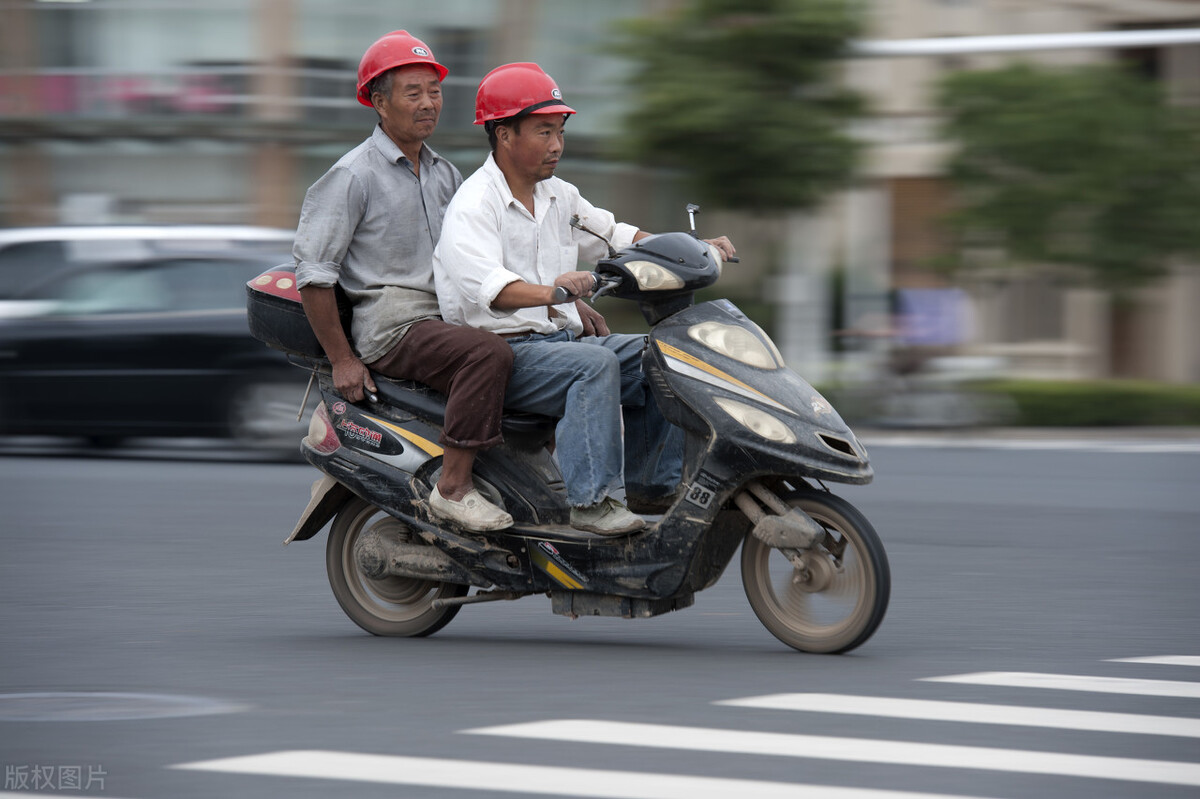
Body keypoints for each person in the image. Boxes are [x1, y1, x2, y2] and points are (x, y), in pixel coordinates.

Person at [433, 62, 736, 536]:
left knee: (663, 353)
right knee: (593, 366)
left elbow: (615, 234)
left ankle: (651, 484)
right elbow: (491, 289)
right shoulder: (474, 205)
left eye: (559, 131)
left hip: (556, 344)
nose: (556, 144)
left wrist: (691, 250)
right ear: (504, 134)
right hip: (506, 357)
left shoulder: (560, 196)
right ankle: (592, 504)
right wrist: (557, 293)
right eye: (543, 131)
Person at [293, 30, 514, 532]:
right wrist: (343, 360)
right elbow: (314, 276)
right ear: (378, 101)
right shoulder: (352, 176)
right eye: (413, 93)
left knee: (555, 352)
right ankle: (454, 488)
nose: (428, 103)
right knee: (489, 355)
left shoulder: (447, 175)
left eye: (434, 92)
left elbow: (481, 257)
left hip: (448, 320)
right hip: (394, 327)